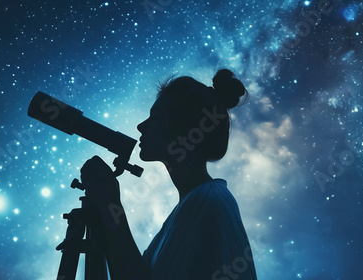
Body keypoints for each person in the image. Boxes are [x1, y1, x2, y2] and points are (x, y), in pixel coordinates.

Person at [80, 69, 257, 279]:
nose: (141, 126)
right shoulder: (195, 204)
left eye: (154, 118)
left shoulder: (203, 202)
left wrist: (110, 206)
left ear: (184, 128)